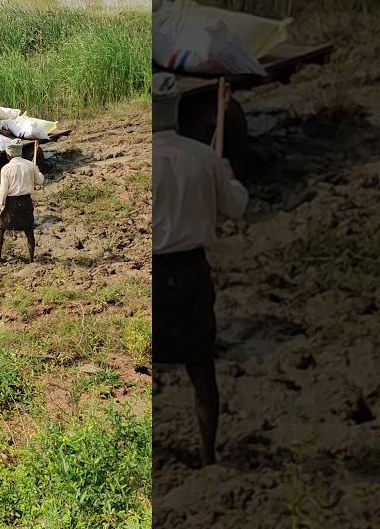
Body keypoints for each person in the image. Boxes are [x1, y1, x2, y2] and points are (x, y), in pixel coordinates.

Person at [152, 71, 248, 467]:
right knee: (201, 366)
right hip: (190, 270)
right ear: (176, 110)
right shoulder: (203, 158)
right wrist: (223, 171)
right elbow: (237, 206)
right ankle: (208, 456)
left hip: (151, 274)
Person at [0, 139, 44, 263]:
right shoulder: (30, 165)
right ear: (20, 152)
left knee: (1, 228)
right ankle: (31, 259)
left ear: (8, 155)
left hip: (12, 203)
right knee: (29, 230)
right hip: (26, 202)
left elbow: (3, 190)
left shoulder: (6, 169)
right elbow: (40, 181)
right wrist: (37, 170)